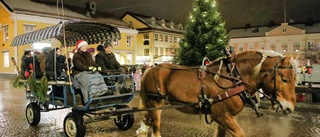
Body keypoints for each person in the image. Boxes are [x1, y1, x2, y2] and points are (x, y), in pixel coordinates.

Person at [72, 40, 111, 104]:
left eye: (86, 46)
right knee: (90, 78)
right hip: (79, 72)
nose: (85, 47)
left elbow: (92, 63)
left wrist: (97, 66)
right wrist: (89, 68)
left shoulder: (88, 54)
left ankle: (102, 92)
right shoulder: (76, 56)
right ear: (80, 47)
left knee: (98, 75)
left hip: (88, 71)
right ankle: (90, 95)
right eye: (83, 46)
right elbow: (79, 66)